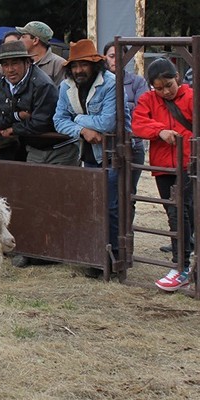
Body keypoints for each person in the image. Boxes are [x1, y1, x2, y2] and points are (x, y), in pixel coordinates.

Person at [53, 39, 130, 268]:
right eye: (75, 66)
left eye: (83, 65)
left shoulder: (109, 84)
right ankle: (98, 254)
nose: (78, 70)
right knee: (94, 205)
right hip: (89, 155)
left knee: (112, 206)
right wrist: (82, 130)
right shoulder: (66, 87)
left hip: (113, 153)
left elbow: (107, 123)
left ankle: (115, 256)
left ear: (94, 64)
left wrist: (75, 119)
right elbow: (58, 120)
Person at [132, 58, 194, 291]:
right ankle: (184, 264)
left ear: (177, 77)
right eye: (159, 88)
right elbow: (137, 123)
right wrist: (160, 131)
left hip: (189, 163)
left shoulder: (191, 97)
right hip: (163, 167)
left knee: (182, 211)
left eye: (169, 84)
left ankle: (182, 265)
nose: (165, 91)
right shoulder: (148, 100)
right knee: (176, 211)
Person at [0, 40, 71, 164]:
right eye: (5, 65)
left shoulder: (42, 85)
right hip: (32, 148)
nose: (10, 69)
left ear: (27, 63)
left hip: (60, 148)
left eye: (15, 63)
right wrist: (18, 116)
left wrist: (13, 129)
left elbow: (42, 122)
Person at [103, 41, 149, 221]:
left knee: (128, 193)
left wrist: (112, 112)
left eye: (120, 55)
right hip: (105, 146)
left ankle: (126, 239)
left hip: (132, 145)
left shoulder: (137, 81)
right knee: (107, 195)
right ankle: (111, 239)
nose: (116, 60)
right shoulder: (100, 83)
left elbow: (142, 111)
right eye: (111, 56)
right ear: (104, 58)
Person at [16, 21, 66, 87]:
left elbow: (61, 93)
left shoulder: (59, 64)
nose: (19, 40)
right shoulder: (22, 63)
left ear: (35, 40)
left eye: (23, 36)